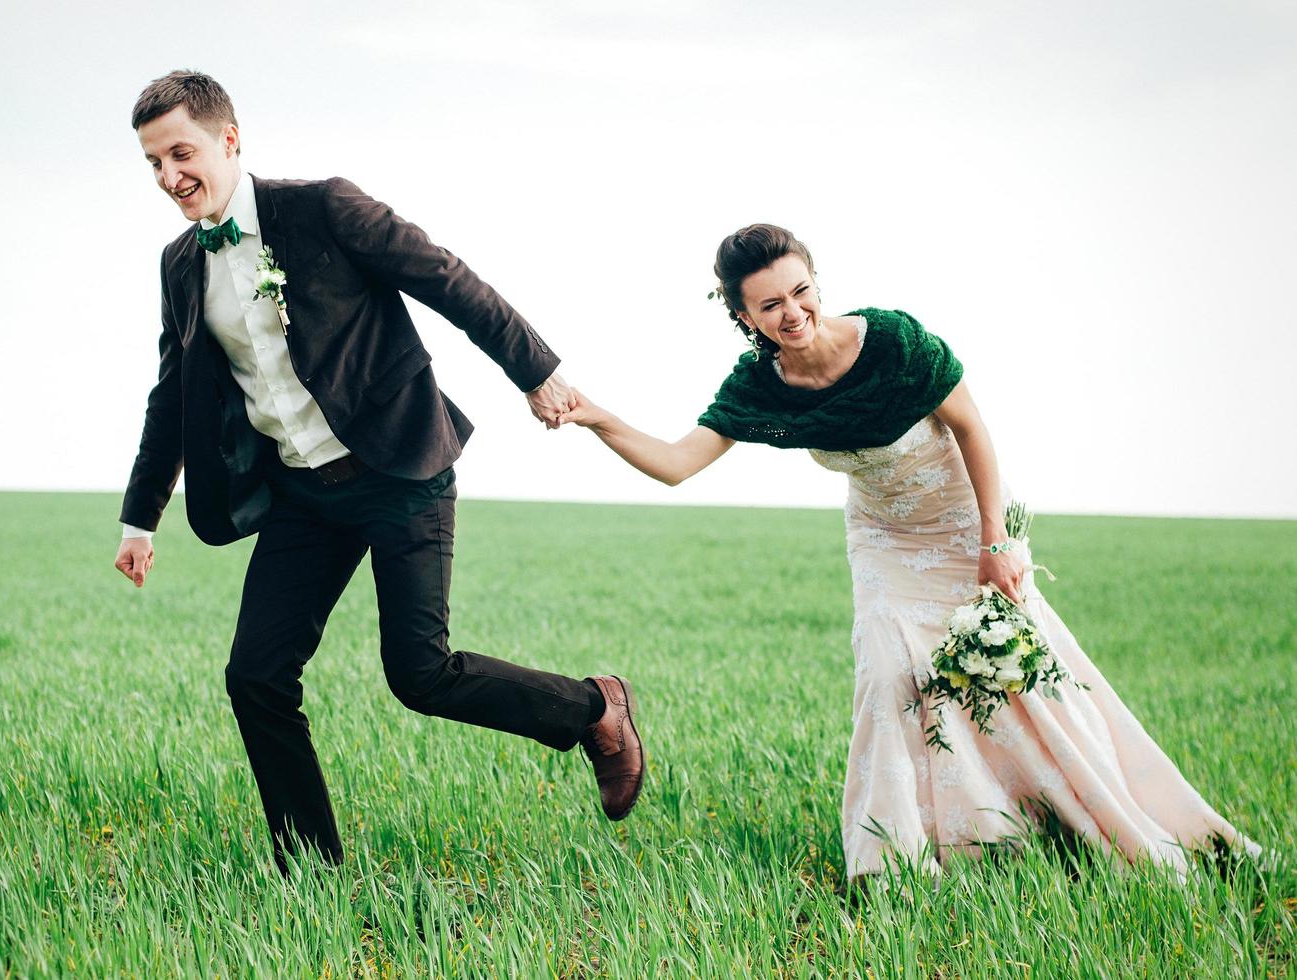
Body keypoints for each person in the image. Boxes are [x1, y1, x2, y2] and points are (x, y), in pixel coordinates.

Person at [559, 223, 1254, 881]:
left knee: (1019, 676)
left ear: (816, 283)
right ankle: (897, 855)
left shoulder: (892, 341)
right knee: (890, 675)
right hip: (884, 537)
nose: (792, 312)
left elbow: (971, 429)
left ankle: (1082, 818)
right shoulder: (758, 388)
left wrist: (998, 543)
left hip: (966, 515)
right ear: (744, 318)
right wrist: (596, 417)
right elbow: (679, 463)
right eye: (770, 305)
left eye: (801, 292)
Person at [112, 70, 644, 874]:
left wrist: (535, 370)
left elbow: (447, 278)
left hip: (399, 470)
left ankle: (593, 708)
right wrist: (140, 516)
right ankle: (312, 872)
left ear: (229, 139)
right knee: (256, 676)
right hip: (300, 493)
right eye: (152, 163)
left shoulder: (323, 208)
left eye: (180, 153)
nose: (167, 177)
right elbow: (171, 391)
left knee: (419, 673)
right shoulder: (180, 263)